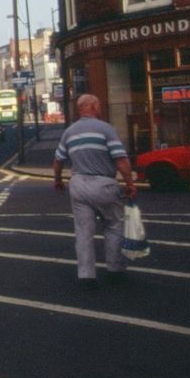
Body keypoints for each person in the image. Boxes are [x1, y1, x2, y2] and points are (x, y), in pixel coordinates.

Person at [52, 93, 137, 290]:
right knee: (113, 226)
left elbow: (58, 160)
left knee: (83, 232)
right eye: (98, 106)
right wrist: (129, 183)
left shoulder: (69, 132)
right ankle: (115, 270)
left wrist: (58, 180)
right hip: (104, 183)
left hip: (79, 183)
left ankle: (86, 276)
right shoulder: (106, 129)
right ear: (94, 107)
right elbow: (120, 159)